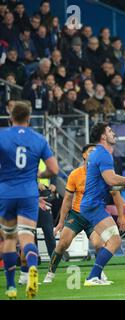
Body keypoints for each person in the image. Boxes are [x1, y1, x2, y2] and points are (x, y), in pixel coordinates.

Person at [43, 143, 125, 284]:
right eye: (91, 151)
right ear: (84, 155)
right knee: (63, 243)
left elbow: (116, 195)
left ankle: (98, 273)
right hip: (76, 215)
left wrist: (121, 216)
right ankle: (50, 274)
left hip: (94, 215)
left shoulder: (104, 174)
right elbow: (67, 200)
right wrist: (61, 222)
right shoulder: (75, 174)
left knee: (99, 243)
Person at [0, 102, 59, 299]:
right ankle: (32, 268)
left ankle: (10, 287)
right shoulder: (39, 139)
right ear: (29, 118)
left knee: (8, 239)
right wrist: (39, 172)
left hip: (6, 193)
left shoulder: (2, 135)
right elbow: (54, 170)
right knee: (27, 237)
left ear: (10, 117)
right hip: (28, 194)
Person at [80, 122, 125, 286]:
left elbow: (108, 184)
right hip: (93, 205)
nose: (113, 133)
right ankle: (92, 276)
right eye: (110, 131)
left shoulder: (97, 153)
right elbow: (110, 179)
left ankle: (97, 275)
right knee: (115, 241)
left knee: (106, 242)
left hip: (91, 204)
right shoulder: (103, 154)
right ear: (103, 136)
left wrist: (123, 184)